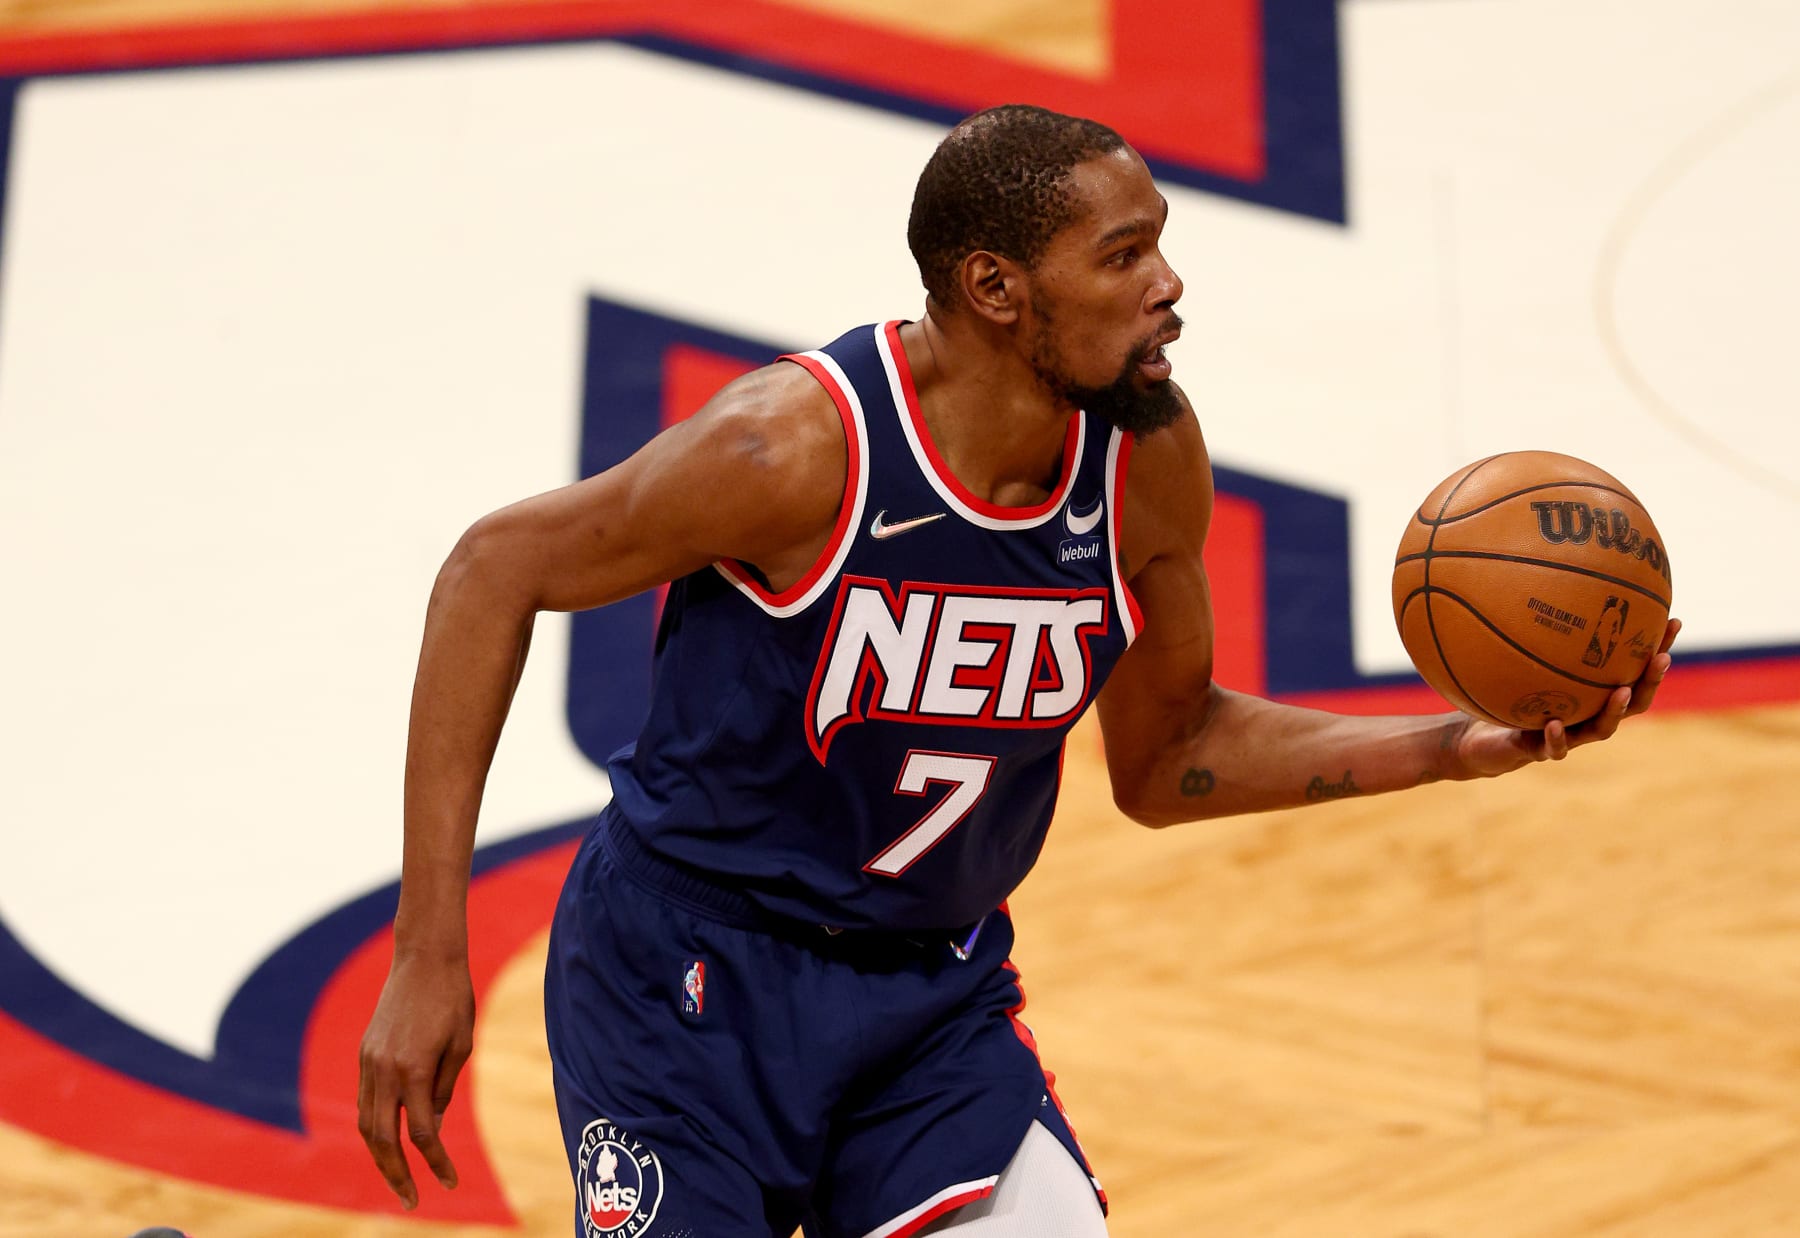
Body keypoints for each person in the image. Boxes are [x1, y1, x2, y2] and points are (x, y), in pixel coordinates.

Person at [356, 105, 1678, 1237]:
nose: (1168, 283)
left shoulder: (1146, 461)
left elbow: (1168, 761)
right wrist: (429, 951)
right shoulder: (789, 456)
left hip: (925, 1003)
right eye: (1124, 254)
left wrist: (1457, 743)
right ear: (996, 289)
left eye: (1160, 239)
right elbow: (491, 570)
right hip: (688, 990)